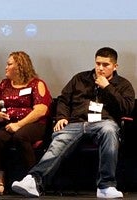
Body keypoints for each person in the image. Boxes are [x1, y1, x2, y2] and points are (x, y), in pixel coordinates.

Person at [11, 47, 135, 199]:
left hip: (103, 123)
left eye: (105, 65)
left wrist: (108, 87)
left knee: (109, 131)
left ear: (115, 66)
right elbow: (63, 99)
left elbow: (127, 108)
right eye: (98, 64)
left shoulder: (123, 85)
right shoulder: (80, 79)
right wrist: (62, 116)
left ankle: (105, 186)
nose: (100, 68)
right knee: (59, 141)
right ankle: (33, 180)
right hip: (76, 123)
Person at [0, 51, 52, 195]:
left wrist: (19, 125)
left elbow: (41, 110)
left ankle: (33, 180)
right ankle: (0, 183)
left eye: (9, 64)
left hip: (34, 124)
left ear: (20, 66)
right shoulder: (4, 84)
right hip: (10, 123)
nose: (6, 67)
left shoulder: (36, 84)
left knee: (20, 137)